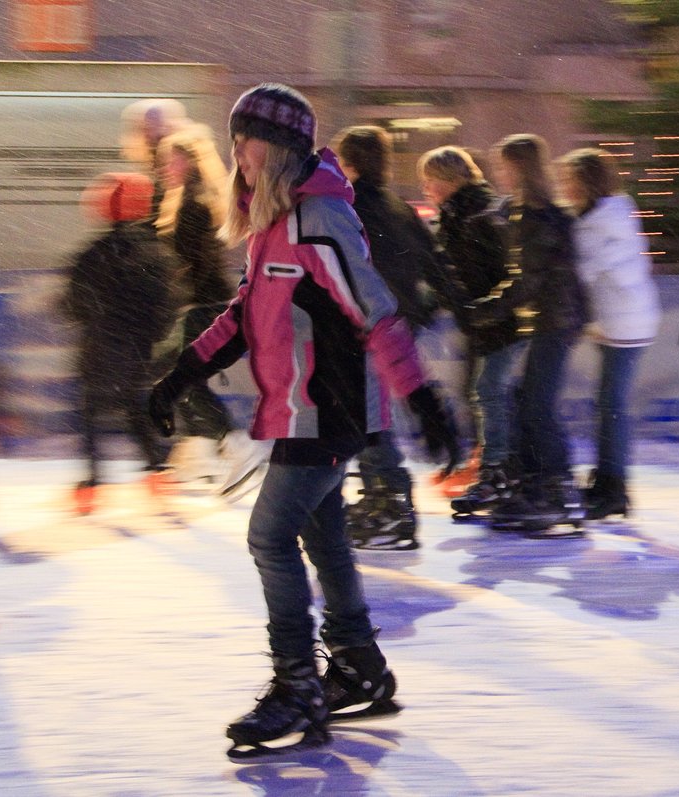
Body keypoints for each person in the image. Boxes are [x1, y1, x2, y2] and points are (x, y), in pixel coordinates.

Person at [147, 84, 459, 761]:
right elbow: (242, 314)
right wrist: (180, 375)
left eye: (248, 140)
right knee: (324, 538)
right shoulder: (274, 224)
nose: (238, 154)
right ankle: (357, 664)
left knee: (268, 537)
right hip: (298, 408)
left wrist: (423, 396)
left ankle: (296, 683)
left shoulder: (320, 218)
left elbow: (374, 309)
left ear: (281, 147)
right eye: (235, 141)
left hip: (329, 409)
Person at [330, 125, 462, 550]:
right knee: (368, 415)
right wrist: (429, 310)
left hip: (367, 327)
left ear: (347, 163)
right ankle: (383, 497)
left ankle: (390, 503)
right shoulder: (398, 207)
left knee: (367, 417)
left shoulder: (345, 207)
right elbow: (435, 264)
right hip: (396, 325)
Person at [483, 134, 589, 538]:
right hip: (555, 319)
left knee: (536, 407)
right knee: (523, 400)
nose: (500, 174)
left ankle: (559, 490)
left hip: (555, 321)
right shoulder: (537, 212)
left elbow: (527, 279)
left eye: (504, 166)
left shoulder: (535, 216)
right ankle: (534, 484)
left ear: (519, 168)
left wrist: (486, 309)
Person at [155, 123, 267, 498]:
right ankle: (204, 449)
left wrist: (181, 293)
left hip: (202, 304)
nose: (165, 168)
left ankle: (233, 443)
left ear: (188, 163)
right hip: (207, 302)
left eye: (171, 162)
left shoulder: (193, 204)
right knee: (179, 373)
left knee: (178, 373)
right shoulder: (191, 198)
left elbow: (196, 261)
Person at [417, 146, 525, 521]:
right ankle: (490, 462)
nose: (427, 189)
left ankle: (500, 469)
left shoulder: (480, 214)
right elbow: (447, 276)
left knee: (489, 392)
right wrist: (422, 309)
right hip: (480, 321)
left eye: (430, 182)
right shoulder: (454, 216)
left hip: (500, 322)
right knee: (477, 393)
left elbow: (506, 272)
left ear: (448, 180)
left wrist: (488, 308)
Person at [63, 172, 177, 514]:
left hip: (98, 350)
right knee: (135, 410)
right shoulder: (157, 254)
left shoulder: (93, 254)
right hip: (138, 351)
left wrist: (94, 320)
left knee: (89, 415)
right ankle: (156, 472)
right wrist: (149, 334)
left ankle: (92, 484)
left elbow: (74, 303)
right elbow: (168, 305)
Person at [557, 148, 661, 520]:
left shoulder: (607, 221)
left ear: (588, 180)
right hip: (615, 321)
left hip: (626, 322)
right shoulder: (594, 217)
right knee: (608, 406)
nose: (564, 186)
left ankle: (614, 489)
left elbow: (584, 269)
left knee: (612, 407)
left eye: (570, 179)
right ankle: (606, 481)